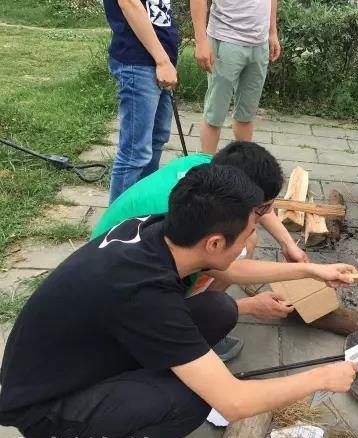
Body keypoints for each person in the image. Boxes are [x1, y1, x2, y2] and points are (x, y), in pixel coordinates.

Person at [0, 164, 358, 438]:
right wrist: (322, 378)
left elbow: (231, 269)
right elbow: (233, 402)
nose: (248, 243)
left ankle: (145, 394)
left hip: (77, 358)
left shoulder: (160, 230)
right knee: (194, 401)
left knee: (218, 309)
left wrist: (312, 270)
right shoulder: (146, 295)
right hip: (45, 410)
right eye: (247, 235)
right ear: (214, 243)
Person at [91, 141, 309, 361]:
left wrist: (288, 244)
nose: (268, 212)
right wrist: (246, 307)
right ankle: (196, 329)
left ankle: (203, 313)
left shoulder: (210, 168)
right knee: (235, 252)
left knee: (246, 239)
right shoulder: (183, 217)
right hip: (118, 302)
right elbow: (231, 270)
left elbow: (259, 208)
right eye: (263, 208)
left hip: (109, 253)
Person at [103, 0, 179, 203]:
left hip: (161, 58)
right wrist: (162, 60)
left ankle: (141, 210)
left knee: (156, 140)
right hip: (138, 60)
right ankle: (117, 220)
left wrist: (166, 60)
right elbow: (130, 4)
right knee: (135, 153)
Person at [190, 0, 280, 154]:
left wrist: (272, 32)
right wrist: (201, 41)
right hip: (225, 39)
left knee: (246, 116)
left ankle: (243, 165)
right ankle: (207, 166)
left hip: (260, 44)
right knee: (214, 115)